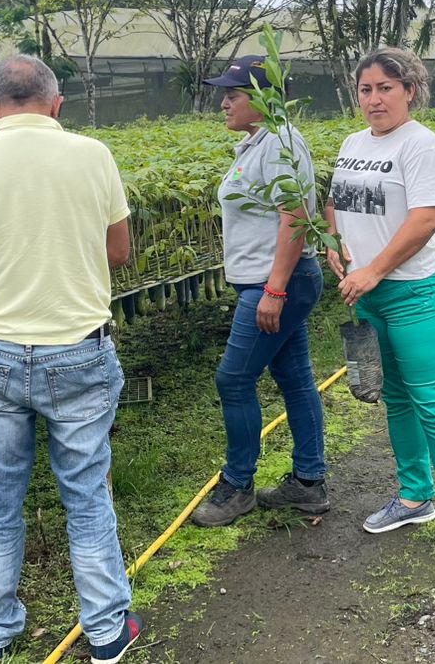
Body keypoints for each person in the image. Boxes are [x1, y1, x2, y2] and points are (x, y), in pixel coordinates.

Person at [0, 55, 143, 664]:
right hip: (78, 352)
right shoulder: (94, 155)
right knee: (87, 495)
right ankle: (106, 633)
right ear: (57, 104)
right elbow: (119, 253)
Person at [325, 47, 435, 565]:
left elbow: (427, 218)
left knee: (433, 402)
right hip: (368, 295)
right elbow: (336, 201)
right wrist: (333, 243)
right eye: (365, 90)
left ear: (410, 91)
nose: (374, 99)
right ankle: (415, 497)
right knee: (395, 398)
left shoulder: (422, 146)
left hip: (413, 292)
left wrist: (374, 269)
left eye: (385, 88)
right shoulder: (353, 143)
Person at [190, 55, 330, 527]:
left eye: (233, 94)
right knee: (294, 378)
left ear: (265, 99)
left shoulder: (280, 143)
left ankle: (237, 486)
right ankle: (309, 483)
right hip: (270, 281)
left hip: (277, 283)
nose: (224, 102)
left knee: (233, 380)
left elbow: (295, 217)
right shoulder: (259, 143)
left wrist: (274, 289)